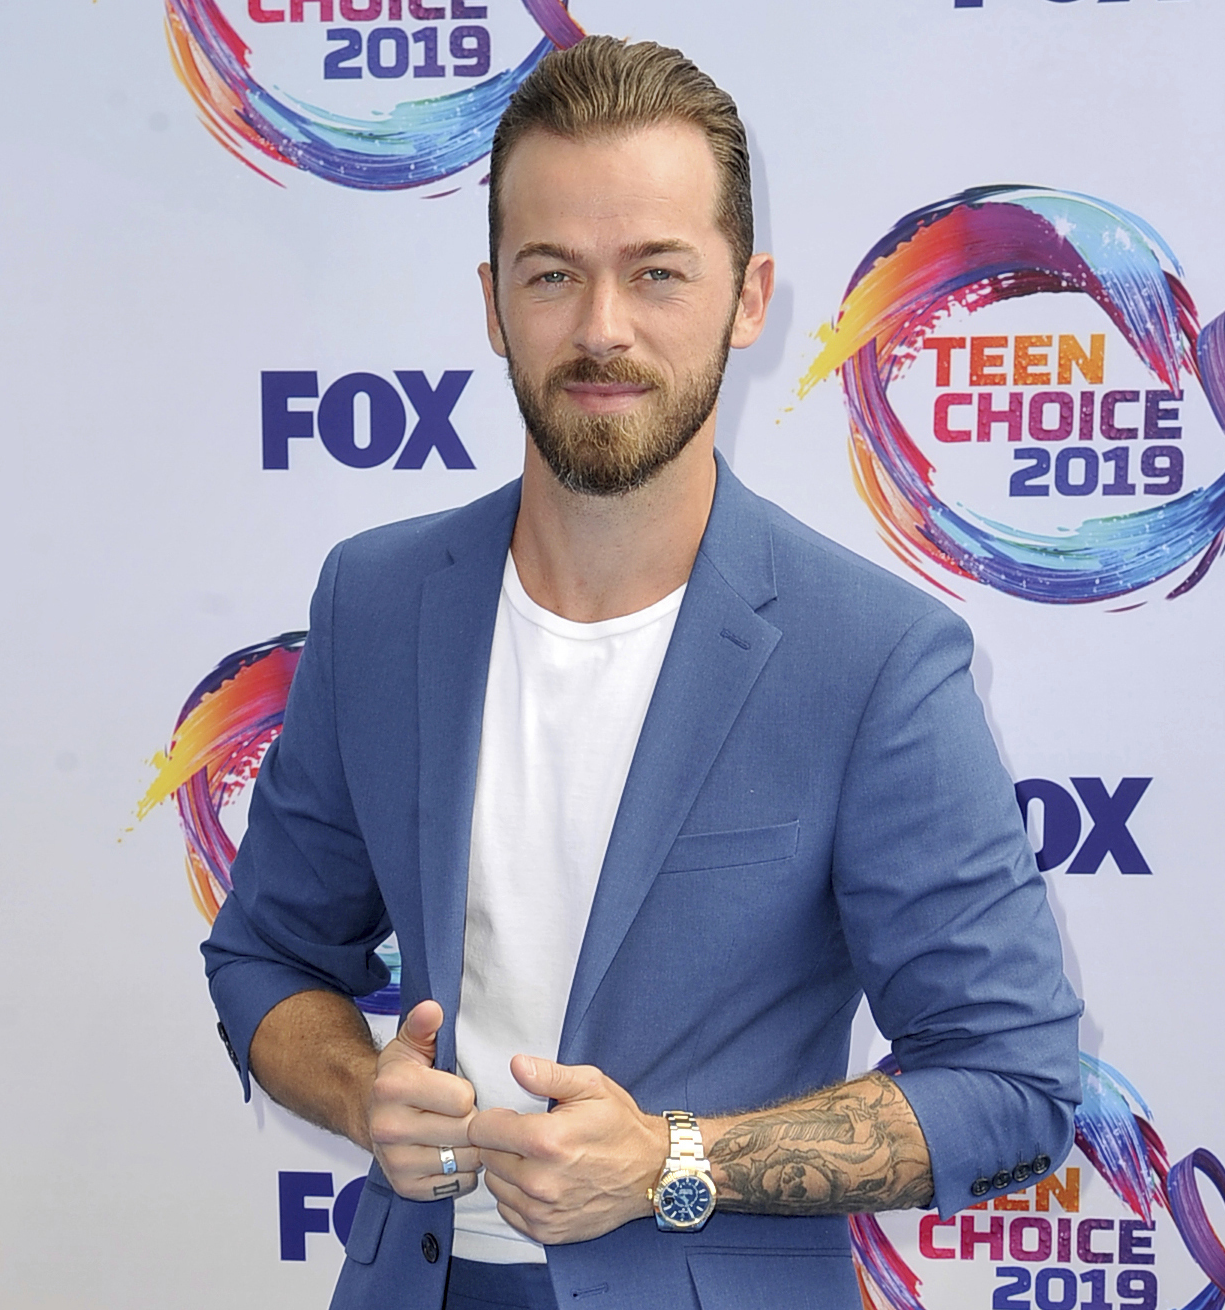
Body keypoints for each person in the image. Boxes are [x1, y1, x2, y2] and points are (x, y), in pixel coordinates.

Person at [203, 35, 1081, 1310]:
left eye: (656, 272)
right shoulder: (376, 600)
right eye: (552, 273)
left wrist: (676, 1161)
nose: (601, 328)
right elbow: (266, 959)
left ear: (747, 295)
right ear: (492, 299)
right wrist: (359, 1089)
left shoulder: (873, 655)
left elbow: (1013, 1080)